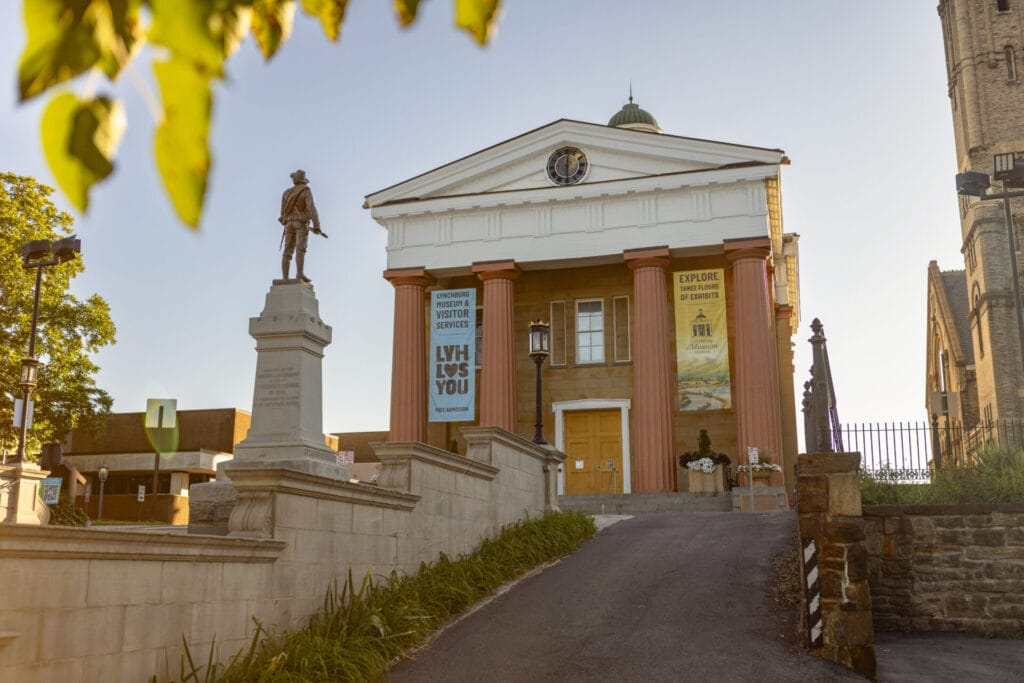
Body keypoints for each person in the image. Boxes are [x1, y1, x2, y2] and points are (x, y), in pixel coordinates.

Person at [279, 169, 322, 281]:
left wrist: (287, 219)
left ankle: (285, 278)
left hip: (288, 224)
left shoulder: (286, 193)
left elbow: (282, 214)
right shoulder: (306, 191)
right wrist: (316, 225)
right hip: (301, 223)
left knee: (287, 251)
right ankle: (299, 273)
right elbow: (311, 208)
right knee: (300, 249)